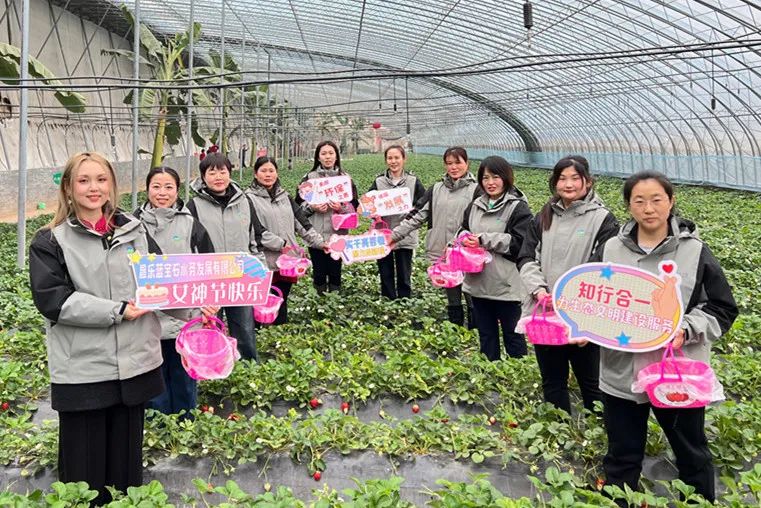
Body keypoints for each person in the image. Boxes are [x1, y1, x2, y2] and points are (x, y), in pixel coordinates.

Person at [28, 152, 206, 504]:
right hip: (85, 369)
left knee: (126, 472)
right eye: (83, 180)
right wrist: (119, 310)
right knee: (85, 474)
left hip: (135, 364)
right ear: (68, 187)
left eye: (101, 179)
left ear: (112, 185)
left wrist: (197, 301)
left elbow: (160, 284)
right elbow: (54, 301)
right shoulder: (50, 241)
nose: (93, 188)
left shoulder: (135, 231)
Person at [594, 171, 738, 503]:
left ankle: (699, 501)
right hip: (620, 369)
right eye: (639, 201)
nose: (648, 209)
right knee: (622, 453)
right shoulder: (610, 248)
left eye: (657, 199)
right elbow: (593, 298)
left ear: (671, 202)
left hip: (674, 372)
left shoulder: (694, 251)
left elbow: (722, 307)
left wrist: (686, 328)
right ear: (628, 205)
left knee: (691, 451)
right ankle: (619, 500)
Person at [517, 158, 619, 414]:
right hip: (546, 312)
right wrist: (539, 290)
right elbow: (527, 256)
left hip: (584, 316)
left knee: (592, 381)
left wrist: (572, 298)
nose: (568, 184)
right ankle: (559, 426)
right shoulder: (544, 216)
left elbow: (604, 267)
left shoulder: (602, 219)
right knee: (552, 379)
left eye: (575, 178)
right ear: (555, 182)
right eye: (562, 178)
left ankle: (599, 428)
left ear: (588, 182)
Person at [134, 166, 215, 416]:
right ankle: (159, 423)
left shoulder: (191, 224)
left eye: (168, 187)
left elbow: (209, 265)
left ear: (177, 190)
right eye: (156, 186)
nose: (162, 193)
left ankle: (185, 421)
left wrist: (210, 303)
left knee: (183, 373)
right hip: (147, 316)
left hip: (185, 317)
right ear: (147, 189)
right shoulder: (131, 225)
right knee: (153, 374)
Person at [187, 153, 279, 362]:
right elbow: (189, 246)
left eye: (222, 171)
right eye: (212, 173)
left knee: (244, 327)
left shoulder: (244, 201)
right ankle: (215, 367)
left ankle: (248, 366)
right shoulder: (193, 206)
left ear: (230, 173)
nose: (218, 177)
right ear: (203, 177)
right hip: (210, 280)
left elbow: (254, 239)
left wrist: (261, 274)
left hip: (240, 278)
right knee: (211, 326)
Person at [391, 146, 480, 324]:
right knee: (452, 294)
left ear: (467, 163)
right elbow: (417, 216)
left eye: (457, 162)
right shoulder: (436, 189)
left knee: (472, 293)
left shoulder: (477, 190)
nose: (453, 167)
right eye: (449, 163)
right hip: (442, 250)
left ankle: (475, 330)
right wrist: (394, 236)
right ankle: (456, 328)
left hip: (467, 253)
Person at [459, 156, 532, 360]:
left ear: (506, 178)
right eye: (485, 178)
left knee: (513, 335)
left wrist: (484, 240)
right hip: (478, 281)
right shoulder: (475, 205)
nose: (490, 182)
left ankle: (516, 373)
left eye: (496, 177)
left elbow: (520, 243)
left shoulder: (517, 207)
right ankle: (490, 370)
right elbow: (463, 229)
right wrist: (462, 239)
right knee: (486, 335)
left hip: (505, 285)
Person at [246, 156, 326, 324]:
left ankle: (281, 330)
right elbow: (256, 230)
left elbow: (302, 223)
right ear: (255, 174)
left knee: (281, 300)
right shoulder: (248, 199)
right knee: (261, 304)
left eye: (271, 170)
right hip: (264, 261)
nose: (268, 174)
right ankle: (261, 333)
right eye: (263, 171)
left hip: (287, 262)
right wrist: (281, 245)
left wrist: (321, 243)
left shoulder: (285, 196)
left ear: (276, 173)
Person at [295, 141, 359, 294]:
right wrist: (312, 207)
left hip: (338, 234)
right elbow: (297, 208)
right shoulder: (309, 179)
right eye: (323, 154)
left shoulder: (345, 179)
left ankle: (334, 297)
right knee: (319, 270)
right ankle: (320, 296)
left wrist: (341, 207)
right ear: (318, 157)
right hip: (315, 234)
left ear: (336, 156)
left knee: (335, 270)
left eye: (331, 153)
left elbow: (355, 207)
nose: (327, 157)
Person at [368, 145, 425, 299]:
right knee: (385, 271)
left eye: (397, 158)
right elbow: (367, 205)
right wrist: (374, 214)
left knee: (404, 272)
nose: (393, 161)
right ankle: (388, 300)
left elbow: (423, 205)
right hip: (383, 233)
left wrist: (412, 211)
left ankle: (404, 300)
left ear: (404, 159)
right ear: (386, 160)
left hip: (405, 234)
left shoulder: (413, 181)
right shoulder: (379, 181)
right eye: (390, 158)